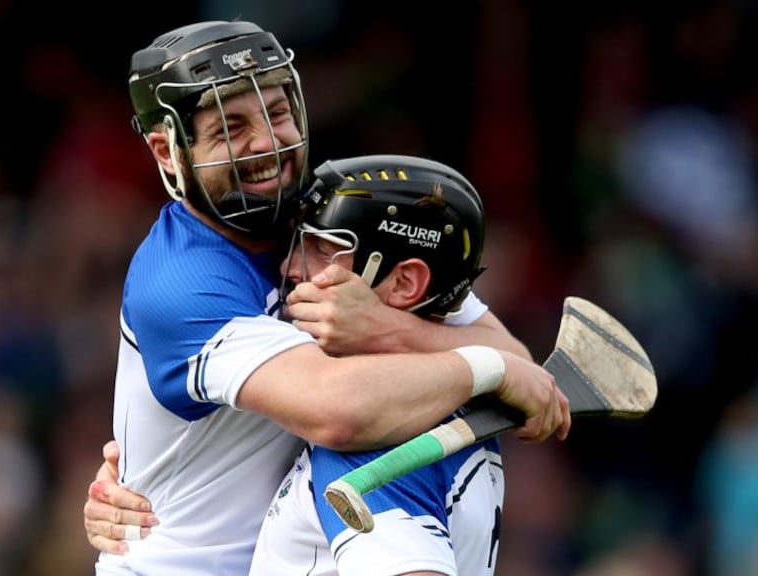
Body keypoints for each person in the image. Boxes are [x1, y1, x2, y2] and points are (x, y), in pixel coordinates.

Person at [91, 19, 570, 576]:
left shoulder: (335, 214)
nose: (267, 144)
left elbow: (507, 355)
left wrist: (395, 331)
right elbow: (338, 410)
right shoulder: (179, 281)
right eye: (231, 128)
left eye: (276, 113)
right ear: (170, 154)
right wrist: (491, 369)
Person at [248, 154, 509, 576]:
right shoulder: (450, 401)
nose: (289, 268)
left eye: (322, 248)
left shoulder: (373, 433)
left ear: (405, 282)